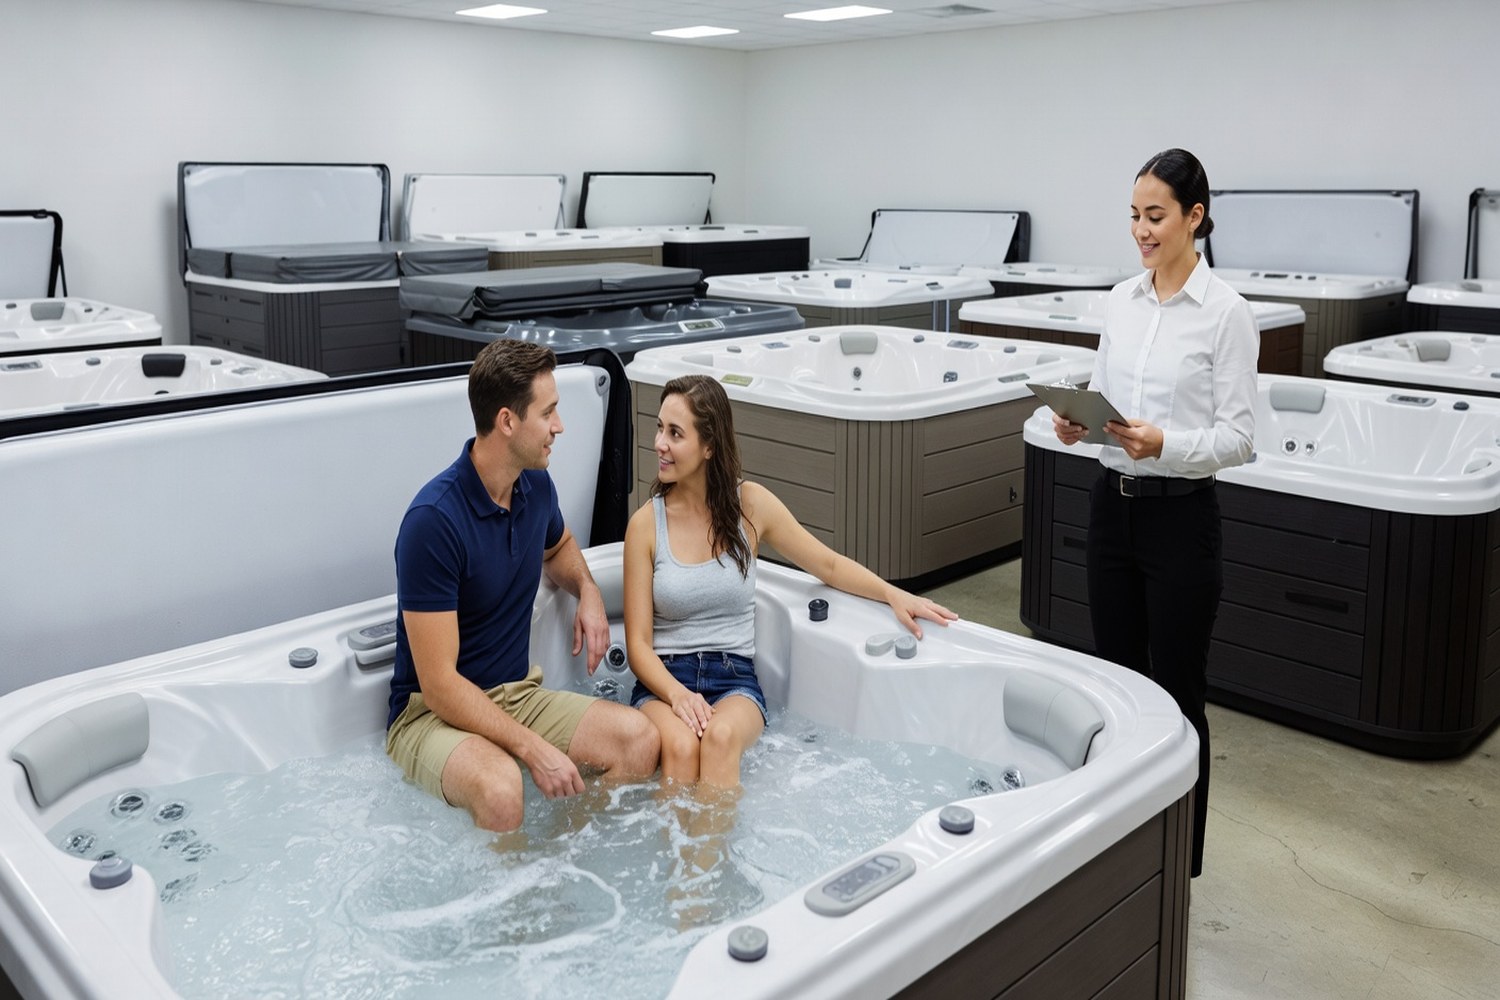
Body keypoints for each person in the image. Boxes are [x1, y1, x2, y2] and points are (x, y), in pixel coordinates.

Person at [1052, 148, 1258, 878]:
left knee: (1176, 694)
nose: (1141, 230)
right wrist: (1078, 421)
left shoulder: (1226, 314)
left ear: (1194, 218)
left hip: (1182, 524)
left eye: (1156, 216)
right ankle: (1123, 854)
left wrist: (1164, 443)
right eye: (1134, 216)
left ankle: (1180, 866)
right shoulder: (1119, 301)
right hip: (1113, 511)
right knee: (1116, 683)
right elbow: (1106, 398)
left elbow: (1240, 439)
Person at [623, 373, 957, 789]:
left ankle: (708, 856)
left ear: (709, 446)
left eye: (675, 433)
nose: (659, 443)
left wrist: (893, 593)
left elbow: (828, 565)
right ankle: (677, 853)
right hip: (664, 682)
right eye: (659, 428)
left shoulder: (751, 506)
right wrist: (677, 695)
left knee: (720, 739)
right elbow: (637, 645)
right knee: (680, 746)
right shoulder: (645, 526)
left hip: (733, 679)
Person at [385, 339, 660, 832]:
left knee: (639, 741)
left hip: (516, 695)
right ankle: (514, 905)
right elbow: (440, 686)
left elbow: (558, 549)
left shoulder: (535, 486)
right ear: (508, 421)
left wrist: (589, 592)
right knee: (501, 790)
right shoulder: (433, 522)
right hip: (430, 717)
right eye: (549, 412)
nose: (560, 426)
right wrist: (534, 750)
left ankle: (559, 861)